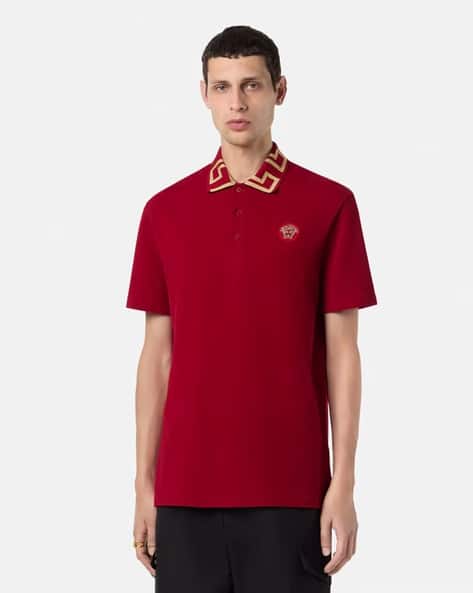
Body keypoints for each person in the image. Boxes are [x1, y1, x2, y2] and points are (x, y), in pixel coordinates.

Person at [126, 25, 378, 593]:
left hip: (290, 489)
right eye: (222, 87)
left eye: (251, 85)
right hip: (184, 491)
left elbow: (343, 353)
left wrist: (343, 481)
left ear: (279, 90)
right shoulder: (165, 211)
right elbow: (156, 357)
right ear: (204, 94)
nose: (236, 103)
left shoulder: (329, 204)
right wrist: (144, 484)